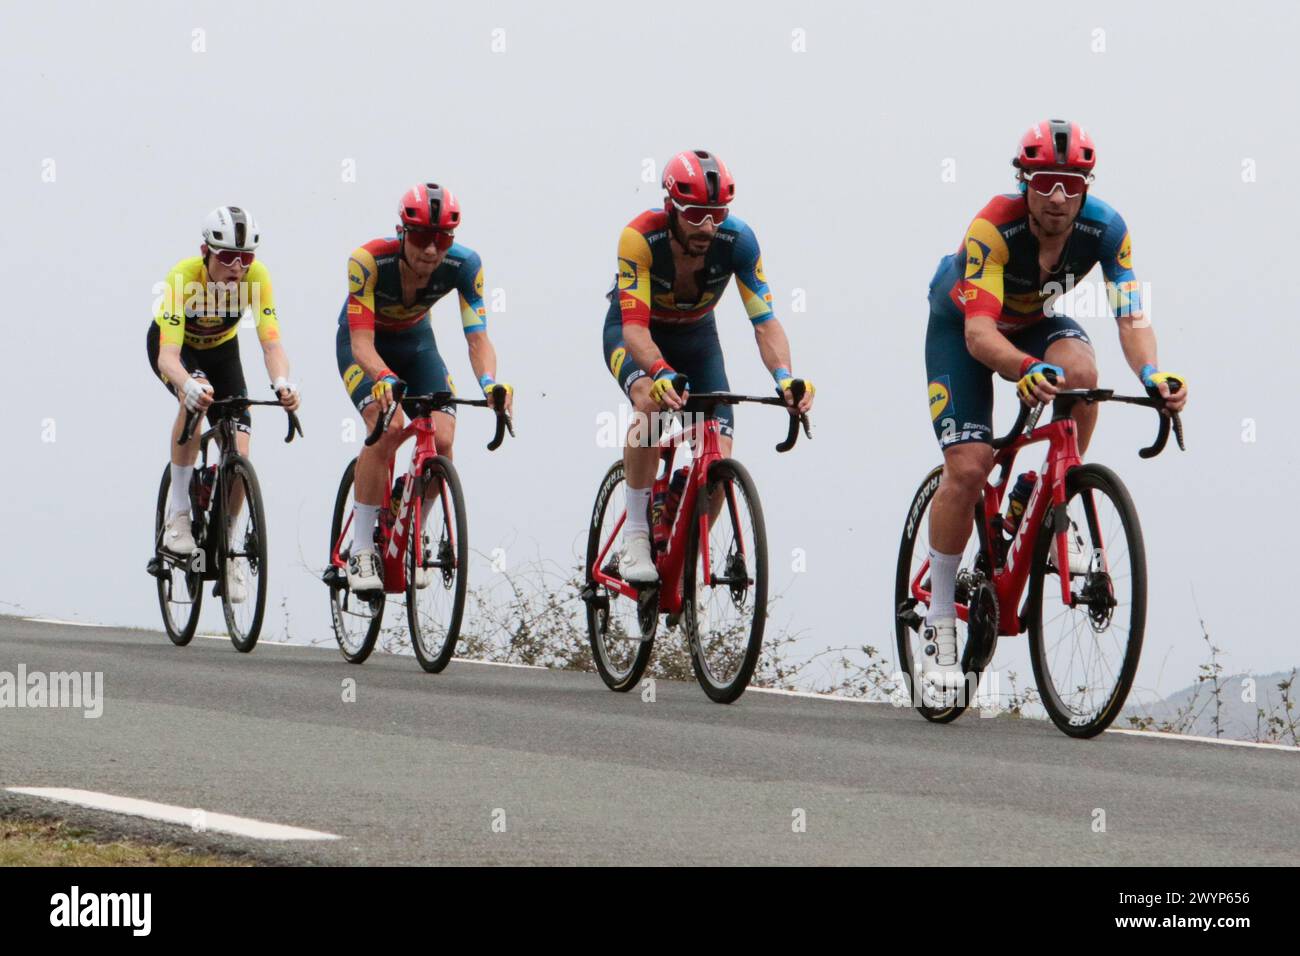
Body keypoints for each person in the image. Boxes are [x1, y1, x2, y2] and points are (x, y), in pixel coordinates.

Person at [920, 119, 1188, 699]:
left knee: (1085, 378)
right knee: (968, 468)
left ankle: (1048, 484)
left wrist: (1152, 373)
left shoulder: (1107, 229)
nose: (1058, 197)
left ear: (1087, 185)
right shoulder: (994, 227)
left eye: (1071, 183)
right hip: (965, 326)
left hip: (1034, 320)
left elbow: (1132, 315)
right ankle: (941, 612)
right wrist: (1024, 368)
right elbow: (980, 336)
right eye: (1045, 182)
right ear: (1024, 182)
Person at [604, 149, 815, 583]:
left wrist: (785, 378)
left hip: (698, 339)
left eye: (717, 214)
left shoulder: (738, 241)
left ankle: (683, 550)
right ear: (671, 207)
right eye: (697, 213)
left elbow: (765, 322)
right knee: (649, 402)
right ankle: (637, 537)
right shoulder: (639, 239)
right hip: (637, 337)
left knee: (719, 450)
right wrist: (660, 372)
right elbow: (636, 331)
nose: (707, 227)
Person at [338, 183, 512, 591]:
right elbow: (362, 343)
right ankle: (362, 548)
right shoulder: (367, 262)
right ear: (401, 232)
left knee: (445, 436)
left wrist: (489, 383)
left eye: (442, 239)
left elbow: (478, 338)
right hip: (364, 347)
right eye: (420, 238)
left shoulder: (465, 264)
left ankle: (416, 527)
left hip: (417, 344)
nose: (432, 250)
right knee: (390, 426)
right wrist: (382, 377)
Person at [148, 206, 300, 602]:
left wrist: (282, 381)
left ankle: (228, 546)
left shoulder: (257, 278)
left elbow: (271, 342)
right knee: (195, 399)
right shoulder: (183, 277)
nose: (237, 267)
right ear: (205, 251)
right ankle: (178, 514)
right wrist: (187, 384)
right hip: (178, 351)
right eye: (228, 257)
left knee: (241, 448)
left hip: (221, 351)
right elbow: (168, 357)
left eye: (245, 258)